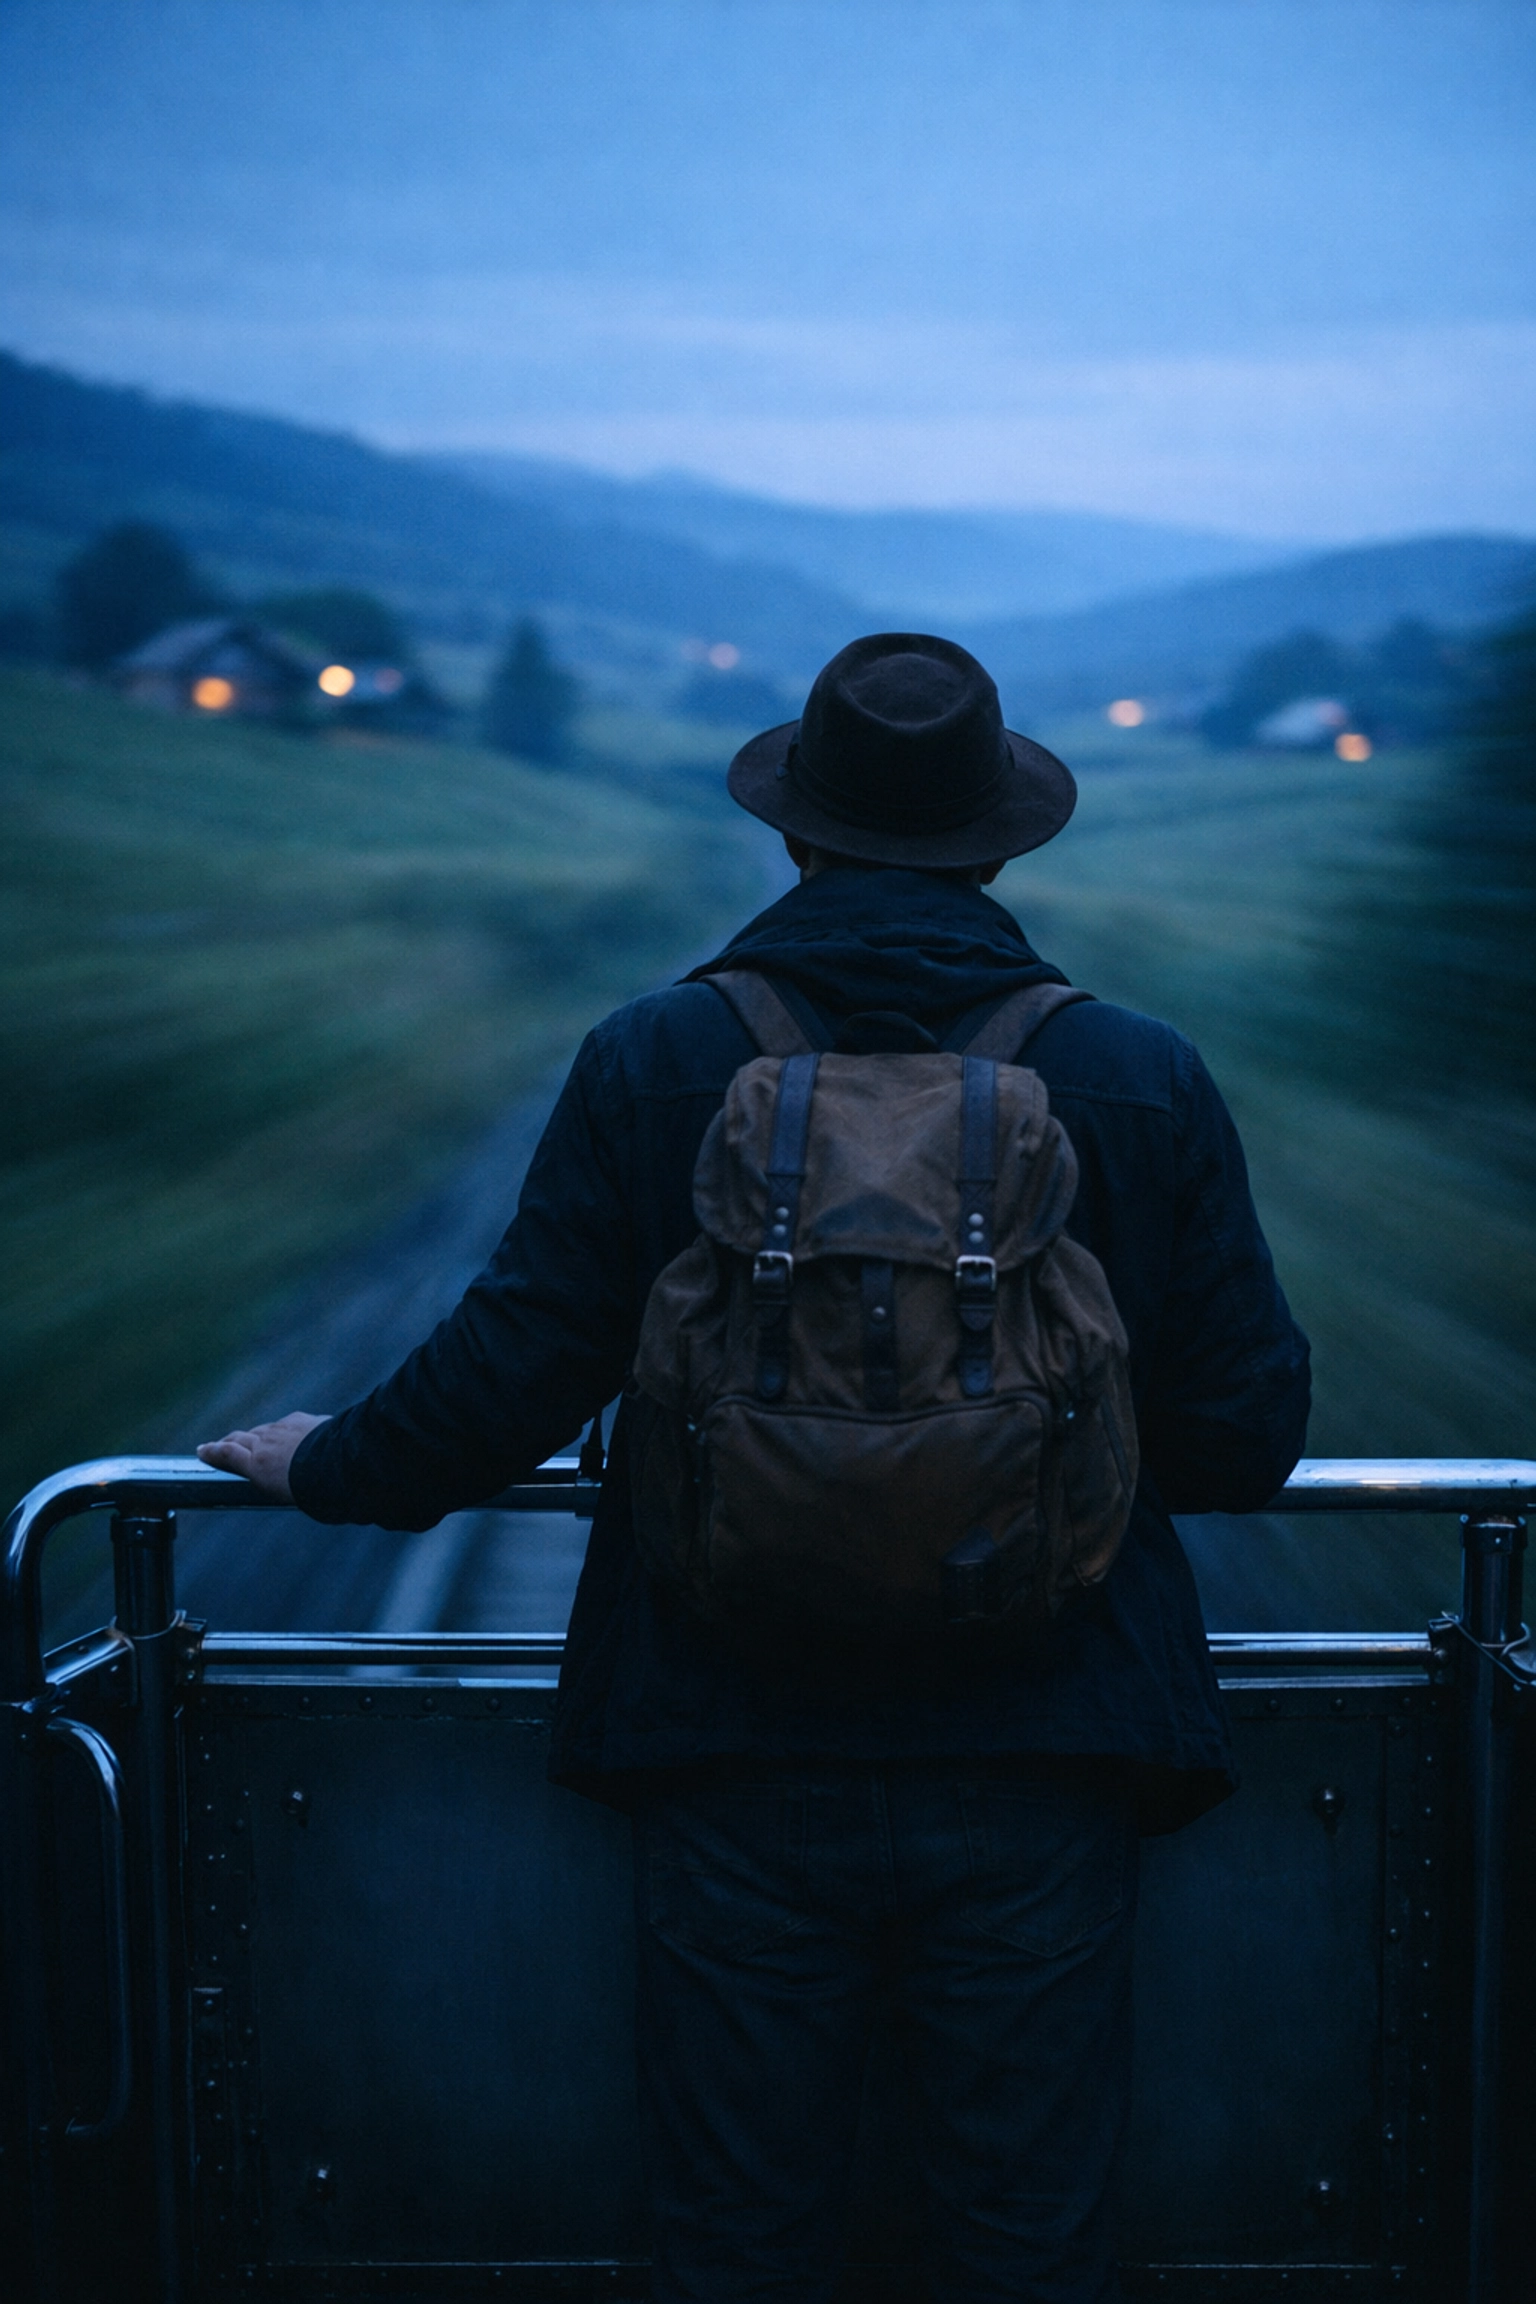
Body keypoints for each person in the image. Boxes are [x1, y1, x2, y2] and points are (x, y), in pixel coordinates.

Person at [200, 632, 1310, 2304]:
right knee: (1028, 2233)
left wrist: (329, 1468)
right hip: (1050, 1741)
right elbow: (1248, 1436)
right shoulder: (1136, 1076)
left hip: (727, 1735)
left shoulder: (655, 1056)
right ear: (1000, 845)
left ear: (795, 829)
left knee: (738, 2229)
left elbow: (511, 1365)